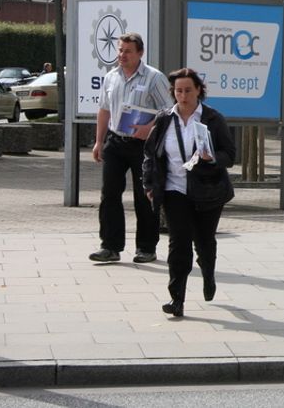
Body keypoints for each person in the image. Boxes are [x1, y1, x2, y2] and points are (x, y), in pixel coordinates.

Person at [143, 68, 236, 318]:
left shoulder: (213, 119)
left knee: (204, 242)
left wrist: (212, 157)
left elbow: (230, 155)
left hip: (208, 190)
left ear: (198, 91)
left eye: (187, 90)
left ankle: (208, 272)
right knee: (178, 244)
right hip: (174, 190)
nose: (182, 96)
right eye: (178, 91)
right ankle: (177, 299)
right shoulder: (164, 119)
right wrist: (149, 185)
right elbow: (150, 154)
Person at [89, 33, 174, 264]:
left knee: (144, 196)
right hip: (115, 142)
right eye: (120, 50)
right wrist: (99, 141)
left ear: (140, 53)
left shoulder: (154, 78)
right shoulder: (111, 77)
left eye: (127, 51)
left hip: (143, 145)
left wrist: (149, 128)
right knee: (109, 195)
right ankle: (110, 246)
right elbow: (104, 110)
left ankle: (146, 248)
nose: (122, 55)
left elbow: (169, 111)